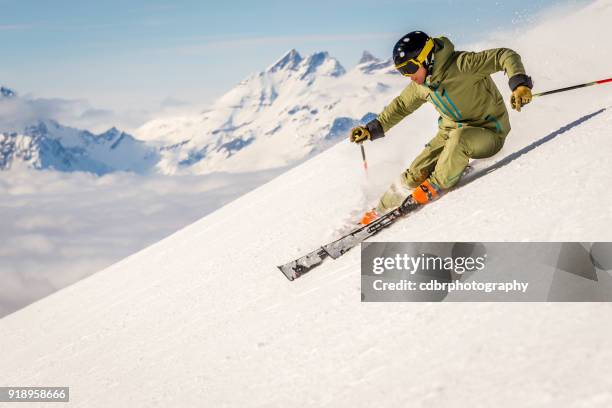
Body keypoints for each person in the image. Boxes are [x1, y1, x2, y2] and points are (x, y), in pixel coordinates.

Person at [350, 31, 533, 225]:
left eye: (411, 67)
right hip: (450, 132)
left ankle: (433, 186)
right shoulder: (423, 84)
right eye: (403, 71)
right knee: (415, 173)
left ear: (427, 58)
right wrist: (372, 129)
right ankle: (379, 211)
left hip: (489, 131)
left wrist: (519, 84)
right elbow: (401, 106)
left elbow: (504, 55)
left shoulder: (463, 65)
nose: (409, 76)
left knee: (460, 139)